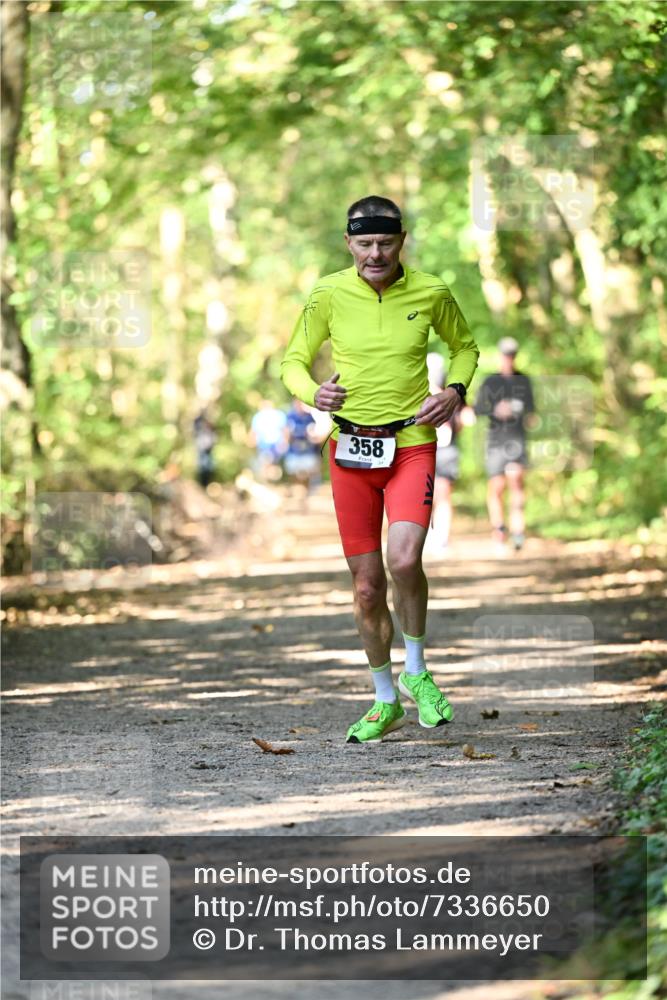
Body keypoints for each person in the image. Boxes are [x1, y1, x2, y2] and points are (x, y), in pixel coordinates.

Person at [280, 195, 480, 743]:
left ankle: (416, 670)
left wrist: (455, 391)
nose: (375, 253)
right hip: (350, 451)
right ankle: (385, 698)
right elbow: (292, 360)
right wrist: (311, 392)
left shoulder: (432, 290)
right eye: (364, 243)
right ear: (348, 243)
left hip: (412, 441)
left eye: (385, 243)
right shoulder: (327, 293)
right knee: (367, 587)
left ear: (402, 240)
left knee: (405, 556)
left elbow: (465, 348)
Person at [474, 337, 535, 554]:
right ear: (501, 356)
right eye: (506, 355)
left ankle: (518, 532)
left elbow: (531, 412)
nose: (509, 359)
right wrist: (496, 410)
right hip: (496, 441)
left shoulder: (524, 381)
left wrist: (519, 412)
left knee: (516, 482)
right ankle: (499, 529)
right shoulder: (490, 381)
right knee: (496, 488)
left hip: (517, 439)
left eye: (512, 355)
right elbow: (477, 409)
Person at [284, 398, 322, 498]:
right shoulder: (290, 416)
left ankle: (306, 494)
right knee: (294, 473)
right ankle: (297, 494)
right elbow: (286, 433)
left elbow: (314, 433)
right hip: (294, 451)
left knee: (308, 473)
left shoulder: (309, 417)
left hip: (308, 451)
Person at [249, 399, 288, 482]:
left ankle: (274, 481)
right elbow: (254, 432)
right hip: (264, 444)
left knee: (273, 464)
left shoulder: (278, 415)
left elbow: (284, 430)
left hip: (276, 444)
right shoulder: (258, 416)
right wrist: (252, 442)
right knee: (265, 463)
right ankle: (267, 481)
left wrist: (285, 441)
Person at [193, 410, 217, 489]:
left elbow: (214, 432)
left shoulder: (210, 422)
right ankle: (202, 484)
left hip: (208, 447)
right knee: (202, 466)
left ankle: (207, 484)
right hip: (202, 446)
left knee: (208, 466)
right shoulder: (198, 422)